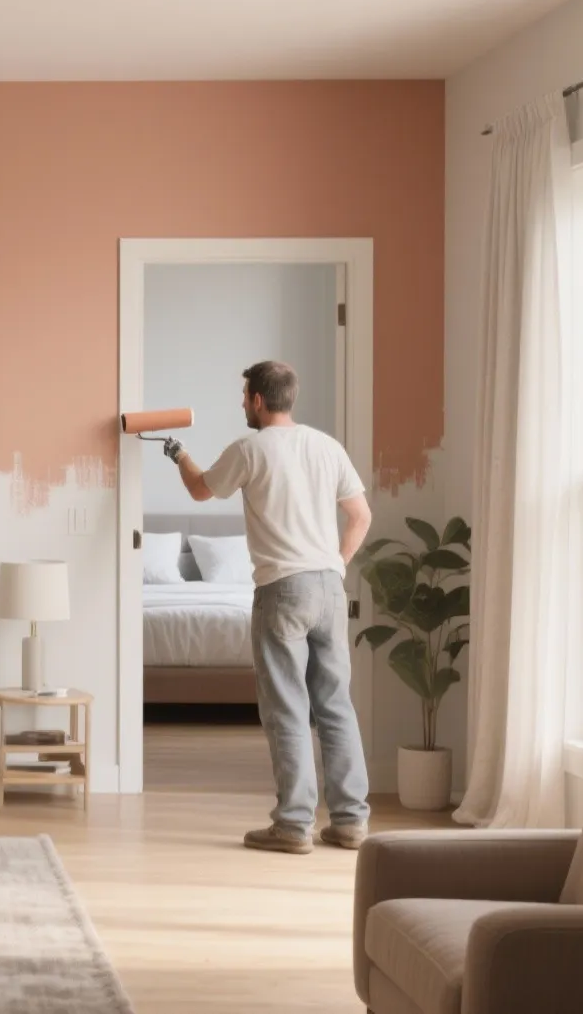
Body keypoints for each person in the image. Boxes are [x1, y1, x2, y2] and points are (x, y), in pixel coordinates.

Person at [169, 360, 373, 854]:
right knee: (335, 706)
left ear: (259, 399)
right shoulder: (327, 447)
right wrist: (339, 564)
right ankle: (349, 821)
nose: (242, 403)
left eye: (244, 396)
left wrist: (178, 454)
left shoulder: (250, 448)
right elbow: (360, 515)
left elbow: (201, 489)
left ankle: (293, 825)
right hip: (327, 586)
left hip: (282, 590)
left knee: (286, 709)